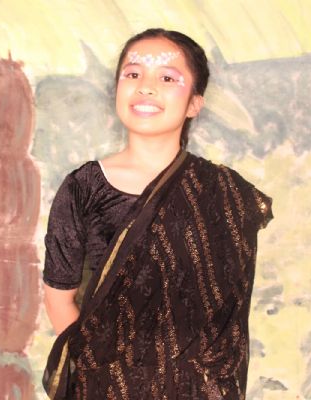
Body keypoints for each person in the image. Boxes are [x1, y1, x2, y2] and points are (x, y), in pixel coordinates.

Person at [42, 28, 273, 400]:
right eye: (133, 74)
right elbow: (58, 298)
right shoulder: (84, 187)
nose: (146, 87)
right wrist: (103, 378)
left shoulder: (224, 192)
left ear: (194, 103)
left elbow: (225, 319)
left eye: (167, 78)